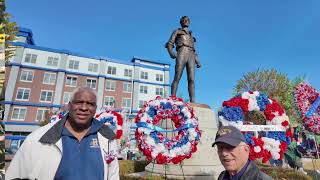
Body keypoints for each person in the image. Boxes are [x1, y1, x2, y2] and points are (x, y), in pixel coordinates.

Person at [6, 87, 119, 180]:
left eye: (90, 104)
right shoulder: (38, 137)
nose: (84, 108)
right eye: (79, 102)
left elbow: (113, 176)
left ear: (95, 108)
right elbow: (15, 175)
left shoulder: (107, 137)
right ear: (69, 105)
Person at [165, 16, 201, 103]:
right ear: (181, 22)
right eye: (184, 20)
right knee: (177, 76)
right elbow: (170, 43)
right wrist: (171, 52)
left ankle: (193, 101)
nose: (186, 21)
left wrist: (197, 61)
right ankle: (172, 99)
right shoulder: (177, 31)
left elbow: (194, 50)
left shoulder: (192, 36)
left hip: (191, 54)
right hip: (181, 52)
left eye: (188, 20)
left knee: (191, 79)